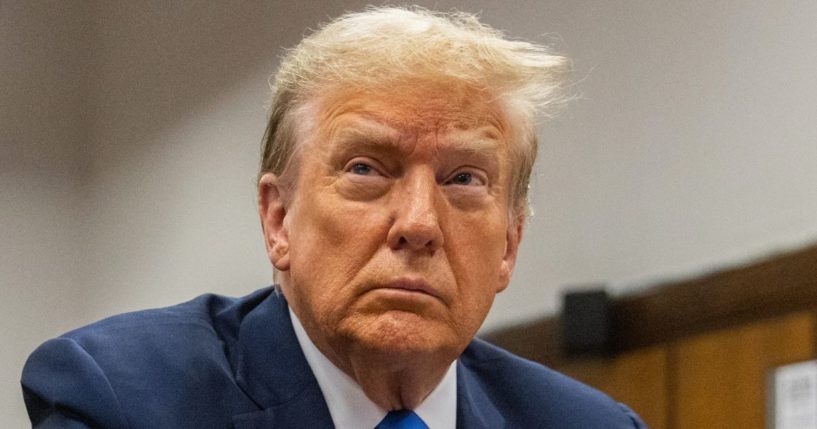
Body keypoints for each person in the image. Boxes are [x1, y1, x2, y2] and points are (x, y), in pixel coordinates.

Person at [21, 7, 645, 429]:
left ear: (509, 243)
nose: (420, 223)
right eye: (367, 170)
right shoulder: (120, 400)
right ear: (278, 218)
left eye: (463, 179)